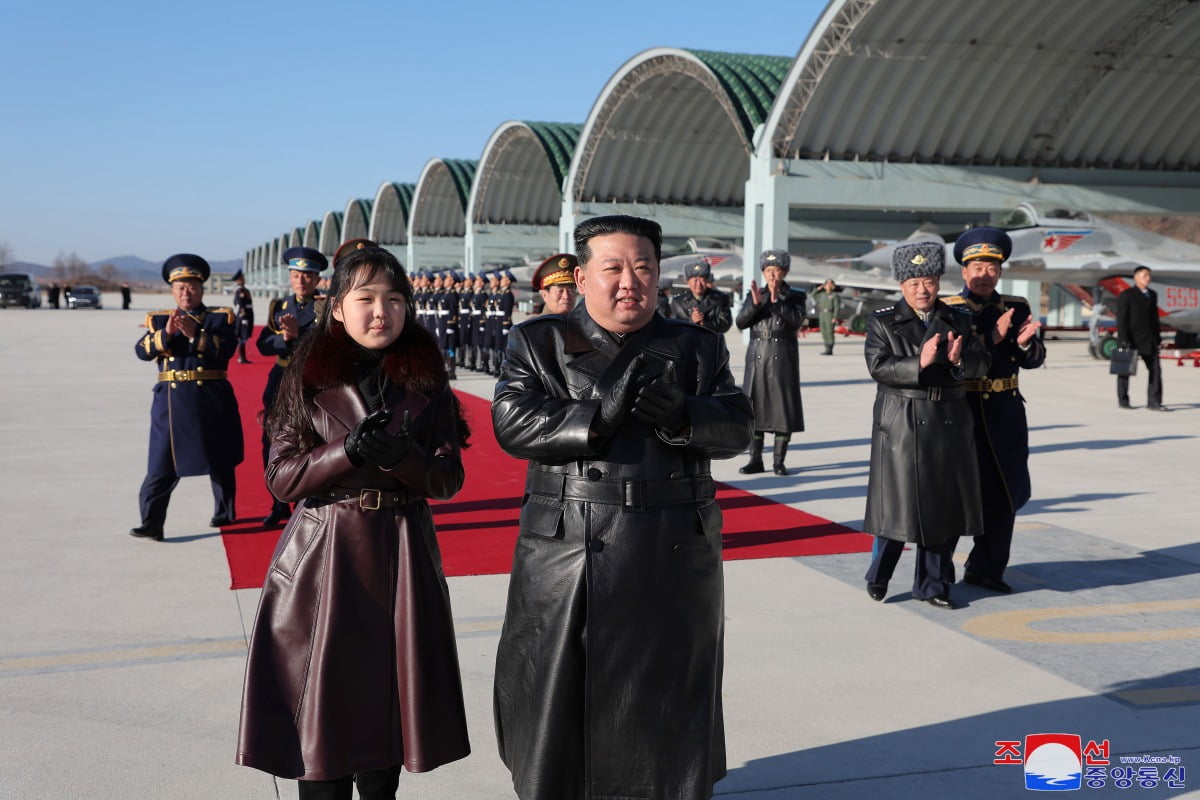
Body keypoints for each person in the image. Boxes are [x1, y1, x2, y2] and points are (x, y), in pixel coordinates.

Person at [491, 214, 753, 800]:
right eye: (613, 268)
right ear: (582, 277)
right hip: (570, 550)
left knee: (667, 704)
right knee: (559, 704)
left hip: (672, 552)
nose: (629, 281)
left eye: (643, 268)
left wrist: (683, 414)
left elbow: (739, 427)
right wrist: (598, 417)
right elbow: (513, 422)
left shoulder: (697, 347)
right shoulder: (541, 341)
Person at [237, 246, 471, 799]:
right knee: (321, 723)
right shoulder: (305, 374)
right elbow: (281, 478)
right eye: (364, 299)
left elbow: (447, 479)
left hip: (402, 556)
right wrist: (348, 451)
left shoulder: (427, 379)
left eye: (394, 299)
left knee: (386, 721)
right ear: (337, 307)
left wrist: (399, 457)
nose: (380, 312)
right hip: (326, 555)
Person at [862, 241, 988, 609]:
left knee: (941, 509)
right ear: (902, 284)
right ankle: (879, 574)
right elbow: (878, 367)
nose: (923, 289)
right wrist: (921, 361)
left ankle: (932, 585)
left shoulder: (959, 319)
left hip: (948, 420)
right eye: (914, 282)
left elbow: (982, 364)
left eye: (929, 280)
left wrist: (959, 359)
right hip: (902, 422)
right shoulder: (883, 320)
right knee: (897, 509)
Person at [945, 227, 1046, 594]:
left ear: (1001, 271)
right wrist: (994, 338)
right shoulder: (950, 309)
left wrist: (1022, 346)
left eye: (991, 267)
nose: (984, 274)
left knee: (1005, 495)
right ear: (964, 271)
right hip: (964, 414)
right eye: (977, 267)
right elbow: (952, 357)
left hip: (1006, 413)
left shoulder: (1017, 307)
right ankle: (939, 572)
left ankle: (988, 569)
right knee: (958, 496)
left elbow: (1035, 359)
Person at [130, 254, 243, 540]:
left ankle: (224, 510)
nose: (185, 292)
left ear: (202, 288)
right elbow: (142, 351)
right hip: (170, 402)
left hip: (210, 399)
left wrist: (196, 335)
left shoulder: (220, 317)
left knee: (220, 459)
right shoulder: (158, 320)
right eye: (179, 287)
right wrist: (166, 334)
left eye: (191, 286)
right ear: (171, 290)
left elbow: (226, 350)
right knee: (160, 464)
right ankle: (151, 522)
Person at [256, 246, 328, 527]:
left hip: (309, 382)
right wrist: (285, 339)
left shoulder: (324, 307)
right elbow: (263, 345)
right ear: (290, 277)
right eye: (296, 275)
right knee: (272, 442)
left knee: (307, 442)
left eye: (307, 275)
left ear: (317, 279)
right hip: (280, 380)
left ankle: (303, 502)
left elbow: (325, 346)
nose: (301, 280)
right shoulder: (279, 306)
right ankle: (277, 503)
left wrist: (298, 337)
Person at [734, 249, 807, 476]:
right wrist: (755, 304)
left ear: (784, 272)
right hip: (757, 355)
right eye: (768, 270)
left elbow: (796, 320)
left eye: (776, 270)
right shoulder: (756, 294)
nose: (772, 275)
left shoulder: (795, 296)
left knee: (782, 408)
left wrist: (776, 301)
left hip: (782, 354)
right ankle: (755, 459)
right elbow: (741, 323)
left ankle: (778, 461)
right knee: (755, 408)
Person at [1116, 265, 1165, 411]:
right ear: (1136, 277)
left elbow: (1154, 319)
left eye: (1149, 276)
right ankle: (1123, 401)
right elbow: (1122, 319)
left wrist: (1158, 339)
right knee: (1125, 371)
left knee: (1155, 370)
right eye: (1145, 276)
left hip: (1149, 340)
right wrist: (1123, 340)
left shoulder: (1152, 294)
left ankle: (1154, 402)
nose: (1148, 278)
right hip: (1130, 339)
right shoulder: (1127, 295)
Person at [669, 257, 732, 333]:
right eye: (695, 280)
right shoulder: (678, 302)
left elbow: (726, 323)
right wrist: (691, 321)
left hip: (712, 342)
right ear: (688, 282)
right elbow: (673, 325)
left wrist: (704, 324)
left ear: (706, 281)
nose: (698, 284)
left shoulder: (720, 298)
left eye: (702, 280)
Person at [813, 278, 842, 355]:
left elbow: (836, 307)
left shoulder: (834, 296)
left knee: (829, 332)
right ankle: (826, 348)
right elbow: (813, 295)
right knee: (823, 332)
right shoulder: (822, 295)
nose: (828, 286)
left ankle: (830, 349)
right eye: (827, 284)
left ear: (833, 286)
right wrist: (818, 289)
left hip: (830, 314)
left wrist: (835, 317)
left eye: (830, 284)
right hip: (822, 314)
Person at [231, 269, 254, 363]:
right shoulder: (240, 291)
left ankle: (243, 357)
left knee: (244, 337)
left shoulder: (245, 290)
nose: (243, 279)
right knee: (242, 337)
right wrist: (243, 317)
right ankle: (242, 358)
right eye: (242, 278)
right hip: (244, 316)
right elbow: (240, 304)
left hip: (247, 314)